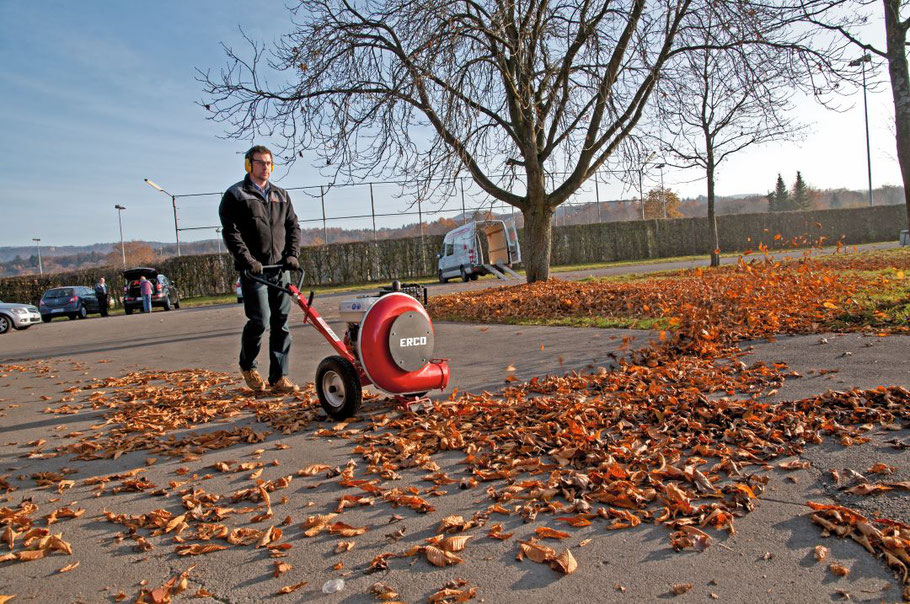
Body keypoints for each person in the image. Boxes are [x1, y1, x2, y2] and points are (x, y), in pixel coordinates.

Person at [219, 145, 301, 394]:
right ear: (248, 164)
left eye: (269, 163)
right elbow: (231, 233)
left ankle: (279, 377)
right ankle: (248, 365)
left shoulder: (281, 195)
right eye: (260, 162)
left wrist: (292, 254)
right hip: (254, 271)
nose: (266, 167)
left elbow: (293, 227)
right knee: (259, 320)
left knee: (281, 323)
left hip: (279, 268)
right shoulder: (236, 195)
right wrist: (247, 260)